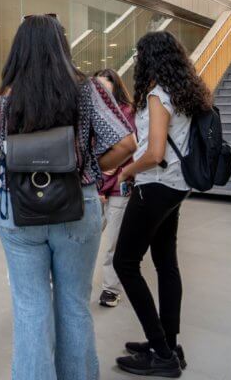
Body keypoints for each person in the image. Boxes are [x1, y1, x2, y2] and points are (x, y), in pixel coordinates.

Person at [0, 15, 137, 380]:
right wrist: (92, 167)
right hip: (79, 205)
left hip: (20, 212)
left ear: (19, 49)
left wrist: (0, 182)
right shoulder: (87, 89)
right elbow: (126, 143)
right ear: (63, 46)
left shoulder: (1, 97)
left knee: (30, 308)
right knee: (74, 305)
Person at [113, 31, 212, 377]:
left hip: (154, 186)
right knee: (165, 262)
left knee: (124, 262)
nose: (138, 62)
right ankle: (168, 344)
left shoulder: (157, 95)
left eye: (140, 56)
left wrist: (127, 171)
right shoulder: (182, 92)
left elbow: (154, 153)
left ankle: (161, 352)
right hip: (175, 187)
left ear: (151, 58)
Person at [94, 68, 136, 308]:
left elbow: (126, 152)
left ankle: (110, 289)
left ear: (115, 86)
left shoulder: (127, 113)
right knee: (84, 238)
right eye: (97, 87)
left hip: (119, 187)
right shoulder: (92, 113)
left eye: (105, 86)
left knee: (113, 244)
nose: (100, 92)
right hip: (96, 187)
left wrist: (105, 181)